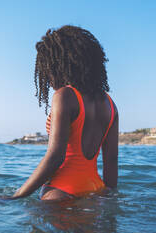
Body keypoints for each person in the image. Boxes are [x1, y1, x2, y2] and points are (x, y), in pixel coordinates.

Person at [11, 25, 118, 201]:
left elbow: (55, 156)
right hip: (96, 190)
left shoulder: (64, 96)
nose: (48, 77)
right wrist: (111, 197)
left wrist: (15, 196)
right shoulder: (110, 105)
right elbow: (112, 160)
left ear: (58, 65)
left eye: (47, 69)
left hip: (61, 191)